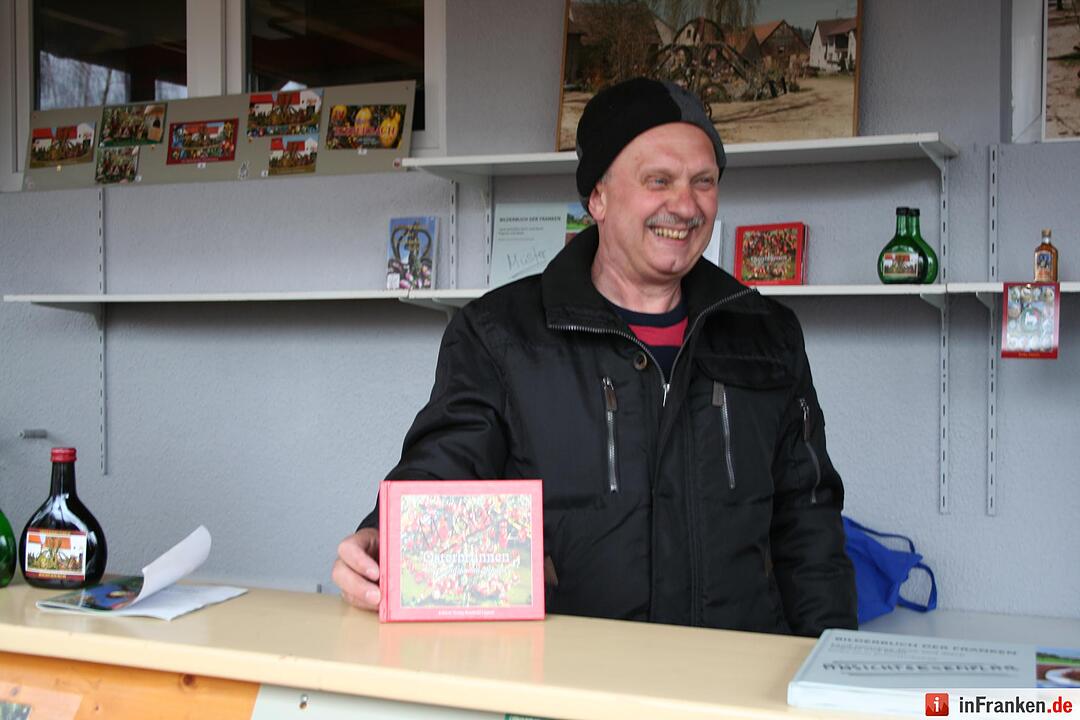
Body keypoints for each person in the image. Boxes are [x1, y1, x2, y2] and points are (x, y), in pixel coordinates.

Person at [334, 77, 857, 636]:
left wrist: (832, 672)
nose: (685, 205)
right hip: (565, 684)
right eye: (659, 180)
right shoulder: (499, 333)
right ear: (598, 197)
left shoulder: (765, 333)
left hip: (737, 683)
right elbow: (442, 471)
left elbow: (810, 526)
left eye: (703, 182)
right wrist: (384, 539)